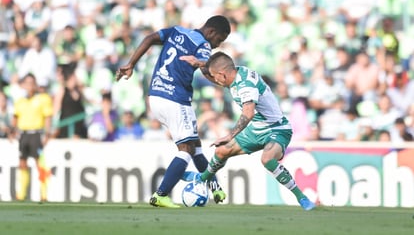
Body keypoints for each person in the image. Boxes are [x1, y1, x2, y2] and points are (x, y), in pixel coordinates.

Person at [116, 15, 231, 208]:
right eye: (218, 40)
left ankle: (215, 187)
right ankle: (160, 194)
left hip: (155, 96)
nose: (216, 45)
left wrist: (131, 64)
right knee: (186, 149)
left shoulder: (177, 31)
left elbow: (150, 38)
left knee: (195, 145)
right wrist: (226, 82)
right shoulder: (203, 44)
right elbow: (207, 67)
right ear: (211, 32)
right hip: (175, 99)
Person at [182, 52, 316, 211]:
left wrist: (230, 135)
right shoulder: (236, 71)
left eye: (214, 77)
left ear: (222, 75)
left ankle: (302, 197)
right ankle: (202, 178)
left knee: (267, 159)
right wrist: (198, 63)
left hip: (277, 128)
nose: (213, 81)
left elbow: (248, 113)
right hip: (257, 128)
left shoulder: (245, 86)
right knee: (221, 151)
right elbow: (218, 64)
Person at [9, 73, 53, 201]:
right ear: (23, 85)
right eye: (27, 83)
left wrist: (47, 133)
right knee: (22, 163)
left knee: (40, 164)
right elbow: (15, 118)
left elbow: (48, 117)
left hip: (36, 133)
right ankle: (21, 195)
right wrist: (12, 132)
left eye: (32, 83)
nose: (29, 86)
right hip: (23, 134)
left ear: (35, 85)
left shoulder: (42, 99)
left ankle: (44, 195)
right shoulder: (20, 101)